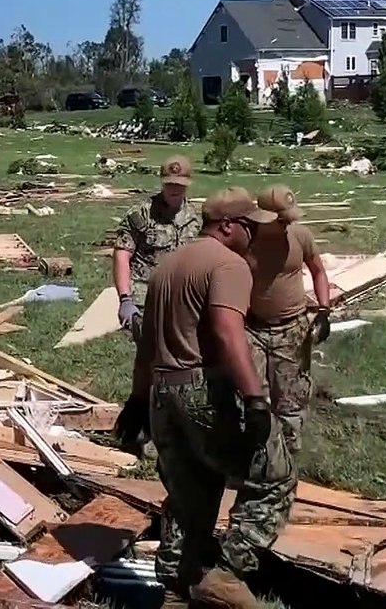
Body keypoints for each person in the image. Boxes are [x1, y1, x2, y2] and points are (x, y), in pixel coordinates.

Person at [114, 187, 296, 608]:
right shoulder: (228, 265)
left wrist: (138, 399)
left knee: (189, 492)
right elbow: (226, 331)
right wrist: (254, 397)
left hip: (163, 391)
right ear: (228, 226)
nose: (254, 236)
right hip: (203, 387)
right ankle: (227, 574)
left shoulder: (167, 266)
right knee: (275, 476)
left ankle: (177, 588)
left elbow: (146, 344)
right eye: (250, 227)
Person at [247, 185, 331, 456]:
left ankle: (289, 458)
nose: (287, 224)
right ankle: (256, 456)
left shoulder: (300, 236)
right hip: (252, 328)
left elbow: (318, 271)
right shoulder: (245, 240)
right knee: (252, 397)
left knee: (291, 400)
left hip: (292, 328)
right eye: (281, 220)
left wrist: (324, 310)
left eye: (289, 219)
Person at [113, 155, 202, 341]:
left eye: (179, 184)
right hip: (146, 299)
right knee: (149, 359)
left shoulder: (196, 219)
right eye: (169, 184)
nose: (174, 189)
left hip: (184, 301)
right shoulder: (141, 215)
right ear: (162, 182)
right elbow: (122, 254)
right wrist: (125, 299)